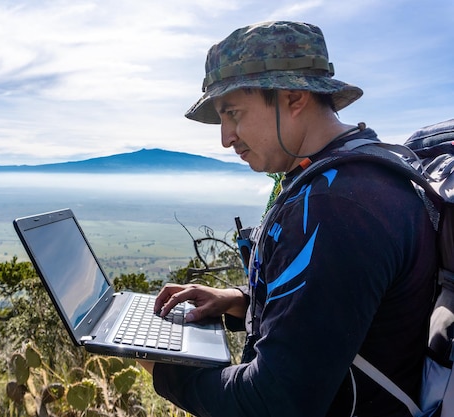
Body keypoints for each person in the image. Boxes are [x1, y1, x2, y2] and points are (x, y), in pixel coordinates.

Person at [139, 21, 438, 417]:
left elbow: (274, 402)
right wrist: (238, 302)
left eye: (233, 113)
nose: (226, 138)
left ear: (293, 97)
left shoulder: (338, 206)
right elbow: (342, 312)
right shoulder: (356, 169)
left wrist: (164, 371)